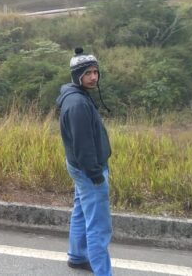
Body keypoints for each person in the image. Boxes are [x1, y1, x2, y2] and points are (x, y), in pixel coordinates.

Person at [56, 47, 112, 275]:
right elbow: (83, 145)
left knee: (80, 210)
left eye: (95, 72)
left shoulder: (75, 95)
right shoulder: (77, 104)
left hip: (79, 167)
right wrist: (96, 174)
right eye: (88, 73)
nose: (93, 77)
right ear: (77, 75)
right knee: (98, 225)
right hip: (89, 170)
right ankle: (103, 272)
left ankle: (78, 256)